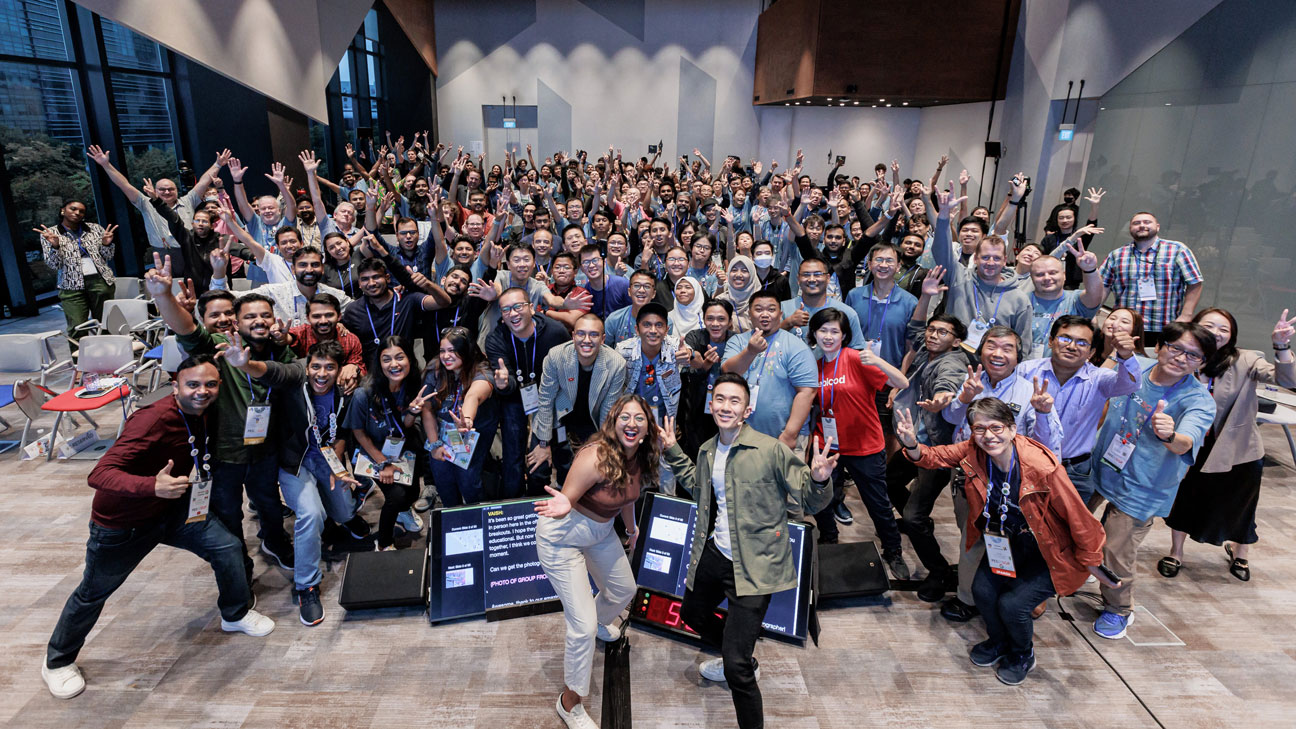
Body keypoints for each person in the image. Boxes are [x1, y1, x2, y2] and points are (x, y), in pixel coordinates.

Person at [41, 355, 274, 700]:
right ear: (175, 385)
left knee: (226, 547)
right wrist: (151, 486)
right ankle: (57, 661)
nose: (202, 391)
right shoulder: (151, 420)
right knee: (93, 592)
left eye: (210, 384)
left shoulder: (205, 410)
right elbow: (99, 474)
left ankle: (235, 612)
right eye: (192, 384)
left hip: (174, 509)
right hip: (123, 524)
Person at [894, 399, 1114, 685]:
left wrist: (1091, 559)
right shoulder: (974, 451)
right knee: (982, 591)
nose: (988, 435)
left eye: (996, 427)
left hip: (1049, 551)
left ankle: (1023, 654)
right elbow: (935, 456)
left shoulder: (1039, 466)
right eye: (979, 428)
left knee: (1014, 605)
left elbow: (1079, 517)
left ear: (1012, 429)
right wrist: (912, 444)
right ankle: (998, 642)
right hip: (1007, 543)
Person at [661, 374, 836, 729]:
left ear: (747, 409)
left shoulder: (770, 450)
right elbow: (699, 488)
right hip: (716, 554)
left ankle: (738, 661)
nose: (726, 407)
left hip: (756, 564)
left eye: (734, 401)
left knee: (735, 667)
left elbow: (809, 497)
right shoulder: (708, 450)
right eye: (720, 400)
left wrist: (818, 478)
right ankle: (735, 647)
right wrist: (673, 451)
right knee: (693, 614)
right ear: (711, 406)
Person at [149, 256, 295, 579]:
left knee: (269, 504)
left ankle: (275, 542)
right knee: (229, 513)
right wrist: (163, 295)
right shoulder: (214, 346)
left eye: (263, 316)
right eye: (247, 317)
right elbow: (185, 327)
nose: (230, 320)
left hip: (264, 449)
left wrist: (282, 342)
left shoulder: (273, 347)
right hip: (224, 453)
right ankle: (239, 564)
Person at [221, 338, 368, 625]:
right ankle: (307, 586)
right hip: (294, 462)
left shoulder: (346, 390)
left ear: (340, 370)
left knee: (344, 512)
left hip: (326, 460)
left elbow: (343, 434)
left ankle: (342, 510)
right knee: (310, 515)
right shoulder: (295, 379)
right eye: (316, 366)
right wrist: (245, 364)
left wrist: (336, 467)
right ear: (306, 365)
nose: (322, 374)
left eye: (330, 368)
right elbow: (272, 372)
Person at [534, 395, 656, 729]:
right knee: (582, 628)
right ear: (614, 422)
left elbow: (628, 496)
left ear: (647, 428)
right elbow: (567, 499)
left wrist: (632, 529)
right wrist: (563, 503)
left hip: (601, 530)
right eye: (624, 417)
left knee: (624, 589)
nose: (631, 423)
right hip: (562, 537)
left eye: (639, 418)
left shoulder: (640, 455)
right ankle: (569, 702)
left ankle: (598, 621)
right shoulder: (596, 456)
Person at [1090, 321, 1217, 639]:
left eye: (1193, 355)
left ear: (1202, 363)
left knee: (1116, 551)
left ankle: (1119, 609)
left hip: (1142, 485)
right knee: (1064, 521)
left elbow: (1185, 441)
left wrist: (1169, 434)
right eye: (1176, 348)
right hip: (1102, 466)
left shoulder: (1198, 400)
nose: (1181, 358)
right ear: (1160, 347)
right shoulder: (1138, 367)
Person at [1161, 308, 1296, 581]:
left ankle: (1240, 553)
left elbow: (1286, 379)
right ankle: (1176, 552)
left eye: (1224, 328)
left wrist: (1282, 346)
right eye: (1209, 325)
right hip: (1190, 444)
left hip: (1237, 449)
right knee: (1184, 501)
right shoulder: (1183, 358)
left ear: (1232, 334)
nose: (1217, 333)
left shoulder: (1246, 359)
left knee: (1240, 506)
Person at [806, 308, 911, 578]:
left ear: (844, 335)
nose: (828, 336)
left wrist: (876, 360)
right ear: (814, 334)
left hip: (865, 445)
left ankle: (893, 551)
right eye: (822, 330)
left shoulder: (856, 358)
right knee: (824, 500)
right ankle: (828, 539)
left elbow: (901, 381)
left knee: (877, 503)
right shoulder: (812, 367)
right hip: (829, 445)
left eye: (834, 331)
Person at [1018, 315, 1141, 505]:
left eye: (1082, 343)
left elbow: (1130, 385)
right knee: (1022, 525)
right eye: (1065, 338)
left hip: (1074, 470)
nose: (1072, 346)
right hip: (1026, 462)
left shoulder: (1099, 379)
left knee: (1067, 532)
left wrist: (1125, 356)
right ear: (1051, 341)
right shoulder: (1026, 371)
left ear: (1091, 352)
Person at [342, 335, 429, 549]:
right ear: (379, 364)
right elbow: (358, 432)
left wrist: (413, 411)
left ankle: (404, 511)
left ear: (410, 359)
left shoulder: (412, 386)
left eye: (400, 357)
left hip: (402, 446)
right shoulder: (365, 393)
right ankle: (384, 542)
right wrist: (383, 463)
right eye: (387, 359)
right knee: (397, 496)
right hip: (374, 450)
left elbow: (406, 426)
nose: (394, 364)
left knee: (412, 493)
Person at [485, 287, 572, 498]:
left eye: (518, 306)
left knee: (552, 451)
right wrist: (504, 384)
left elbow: (566, 375)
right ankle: (514, 505)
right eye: (506, 310)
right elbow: (507, 381)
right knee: (512, 453)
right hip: (515, 397)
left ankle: (557, 495)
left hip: (551, 398)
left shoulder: (556, 332)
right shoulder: (496, 339)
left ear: (531, 308)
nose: (513, 313)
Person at [531, 314, 628, 487]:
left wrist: (604, 445)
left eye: (593, 335)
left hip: (593, 419)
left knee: (593, 469)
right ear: (573, 335)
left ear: (603, 338)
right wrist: (544, 443)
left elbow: (608, 411)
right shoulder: (556, 356)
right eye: (581, 334)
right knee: (537, 467)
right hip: (559, 415)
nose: (586, 340)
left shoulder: (616, 364)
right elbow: (545, 400)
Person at [932, 190, 1032, 346]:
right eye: (985, 257)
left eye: (997, 258)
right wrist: (943, 217)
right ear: (976, 258)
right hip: (953, 358)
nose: (990, 262)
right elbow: (941, 251)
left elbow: (1023, 345)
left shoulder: (1019, 299)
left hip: (994, 365)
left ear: (1005, 261)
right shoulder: (959, 276)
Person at [721, 291, 818, 451]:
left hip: (784, 437)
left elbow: (807, 392)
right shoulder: (737, 341)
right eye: (758, 309)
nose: (765, 314)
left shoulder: (795, 345)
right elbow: (728, 373)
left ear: (780, 314)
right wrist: (750, 351)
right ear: (749, 313)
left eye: (771, 310)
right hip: (741, 436)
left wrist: (789, 434)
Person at [421, 327, 500, 506]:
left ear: (466, 351)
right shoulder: (435, 369)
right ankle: (453, 518)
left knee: (468, 479)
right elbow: (427, 409)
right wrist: (434, 445)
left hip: (474, 430)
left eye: (453, 351)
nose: (446, 356)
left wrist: (467, 420)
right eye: (443, 351)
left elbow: (474, 395)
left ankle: (477, 518)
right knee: (441, 474)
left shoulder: (482, 370)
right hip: (443, 431)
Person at [1098, 211, 1204, 346]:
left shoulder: (1177, 250)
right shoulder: (1117, 255)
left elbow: (1195, 282)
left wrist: (1186, 316)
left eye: (1147, 222)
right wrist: (1092, 313)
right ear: (1130, 228)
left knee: (1157, 365)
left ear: (1158, 226)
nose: (1142, 225)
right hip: (1125, 328)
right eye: (1136, 223)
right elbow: (1103, 287)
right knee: (1121, 363)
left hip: (1164, 326)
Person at [35, 201, 117, 338]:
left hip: (100, 281)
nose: (77, 213)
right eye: (73, 209)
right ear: (63, 211)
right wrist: (55, 246)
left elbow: (108, 256)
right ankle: (80, 359)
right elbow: (54, 264)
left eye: (81, 211)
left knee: (106, 324)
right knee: (77, 327)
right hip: (70, 285)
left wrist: (106, 244)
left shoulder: (95, 228)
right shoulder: (51, 233)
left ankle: (111, 356)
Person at [1028, 237, 1105, 358]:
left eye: (1053, 273)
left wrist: (1090, 270)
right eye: (1039, 274)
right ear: (1032, 278)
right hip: (1024, 369)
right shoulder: (1021, 301)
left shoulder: (1075, 301)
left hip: (1063, 371)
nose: (1047, 278)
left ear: (1064, 275)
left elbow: (1095, 295)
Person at [680, 299, 736, 454]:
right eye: (710, 318)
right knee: (697, 449)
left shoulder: (736, 340)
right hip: (697, 404)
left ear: (730, 322)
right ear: (703, 319)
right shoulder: (695, 337)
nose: (715, 324)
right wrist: (703, 367)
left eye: (721, 319)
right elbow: (691, 359)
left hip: (728, 404)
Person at [285, 293, 365, 392]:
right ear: (308, 318)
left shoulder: (350, 339)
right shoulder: (302, 333)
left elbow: (361, 372)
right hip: (302, 391)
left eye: (329, 315)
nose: (323, 321)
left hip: (339, 391)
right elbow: (287, 337)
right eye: (316, 316)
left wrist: (354, 368)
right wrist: (280, 337)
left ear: (339, 316)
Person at [718, 255, 758, 331]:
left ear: (752, 275)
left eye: (744, 270)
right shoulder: (720, 301)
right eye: (734, 270)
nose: (738, 275)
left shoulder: (760, 302)